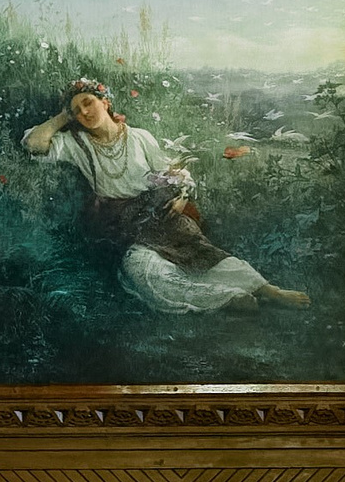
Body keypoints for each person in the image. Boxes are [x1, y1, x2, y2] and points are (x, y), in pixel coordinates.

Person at [22, 78, 308, 315]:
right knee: (144, 271)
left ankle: (268, 290)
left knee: (202, 255)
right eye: (77, 110)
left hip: (159, 214)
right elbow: (35, 144)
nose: (85, 112)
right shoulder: (76, 143)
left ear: (105, 102)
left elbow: (173, 172)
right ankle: (224, 298)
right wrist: (63, 116)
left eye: (89, 102)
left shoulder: (138, 137)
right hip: (122, 226)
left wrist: (183, 195)